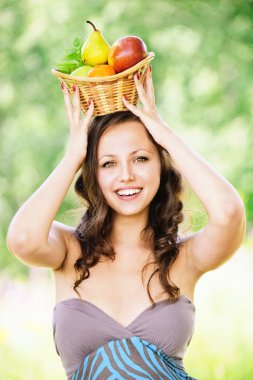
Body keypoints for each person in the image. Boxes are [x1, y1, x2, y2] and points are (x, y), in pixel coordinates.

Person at [6, 66, 245, 380]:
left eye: (141, 158)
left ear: (161, 165)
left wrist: (166, 136)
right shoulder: (67, 250)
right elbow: (22, 239)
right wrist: (74, 155)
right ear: (93, 173)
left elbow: (228, 213)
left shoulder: (185, 257)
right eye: (108, 163)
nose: (126, 175)